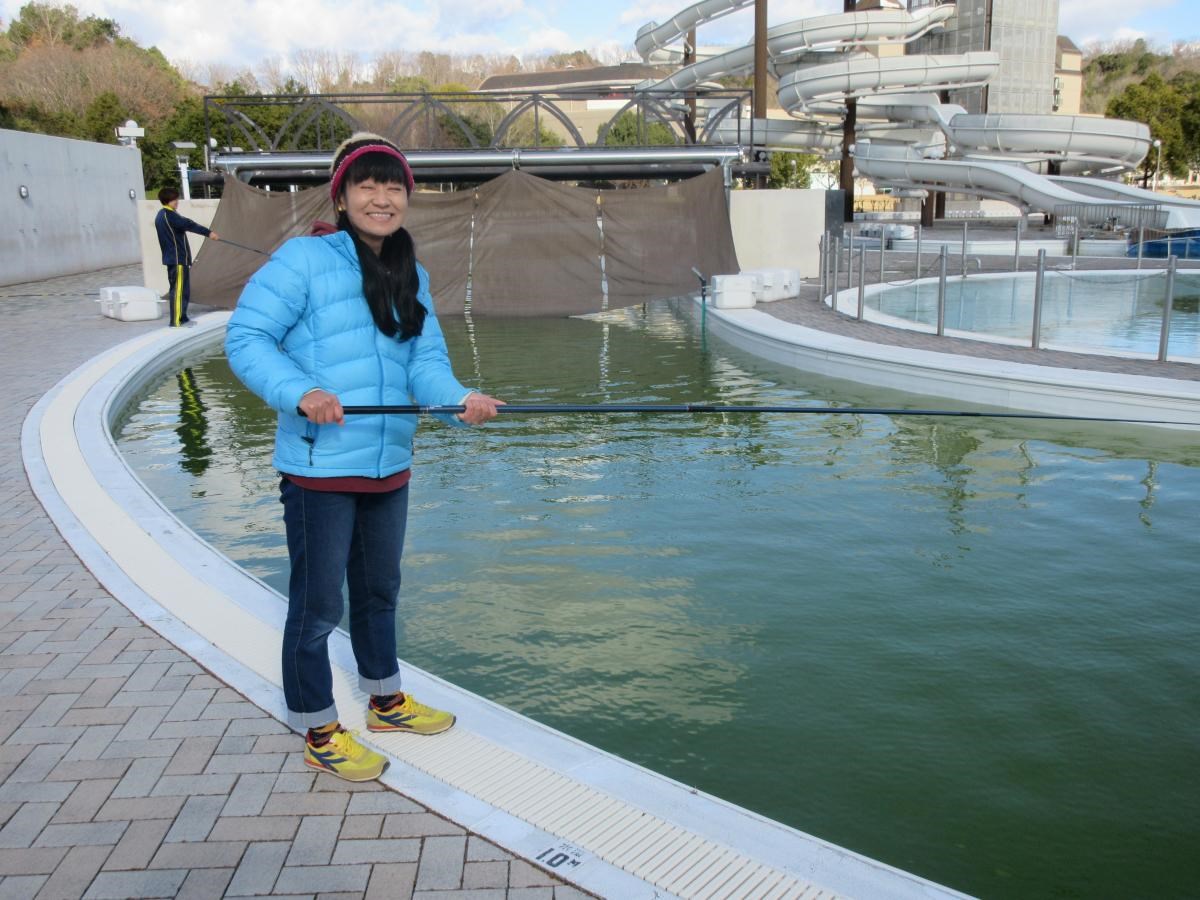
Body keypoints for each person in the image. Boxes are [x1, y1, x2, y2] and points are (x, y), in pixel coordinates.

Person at [225, 133, 503, 782]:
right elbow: (247, 339)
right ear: (343, 197)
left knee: (379, 592)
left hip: (388, 465)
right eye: (367, 185)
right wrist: (301, 392)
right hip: (320, 468)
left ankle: (385, 700)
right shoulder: (302, 260)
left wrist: (458, 398)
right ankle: (318, 726)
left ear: (407, 197)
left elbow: (425, 363)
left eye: (393, 186)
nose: (382, 197)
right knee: (318, 605)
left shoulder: (413, 271)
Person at [155, 186, 219, 326]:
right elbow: (188, 224)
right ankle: (176, 321)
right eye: (175, 199)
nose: (177, 201)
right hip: (177, 259)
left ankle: (182, 317)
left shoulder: (162, 214)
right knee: (178, 291)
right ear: (168, 200)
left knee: (183, 289)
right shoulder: (170, 215)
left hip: (176, 259)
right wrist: (209, 233)